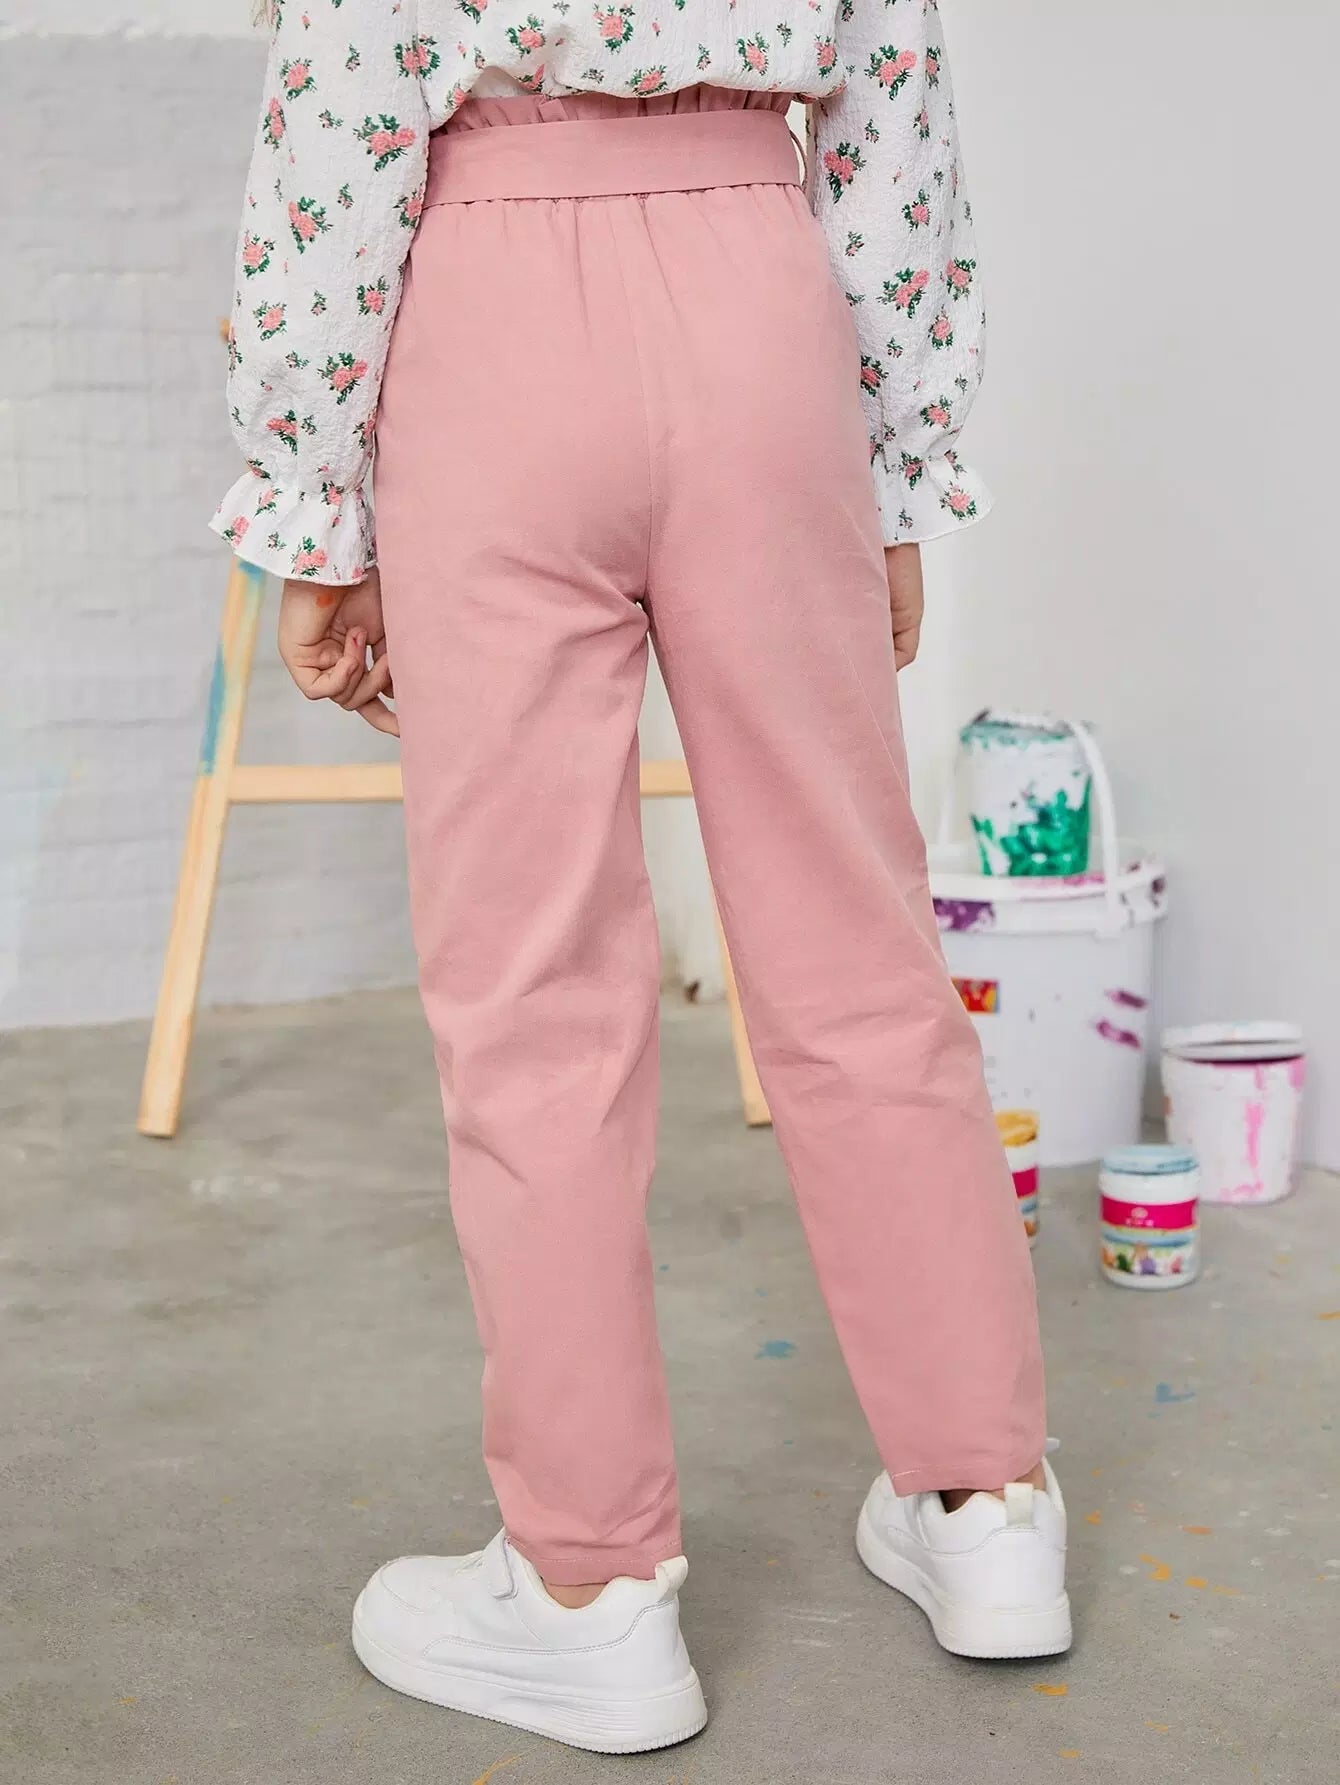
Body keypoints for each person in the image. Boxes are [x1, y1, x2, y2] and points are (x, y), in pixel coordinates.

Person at [214, 0, 1070, 1754]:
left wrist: (309, 509)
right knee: (858, 944)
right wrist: (898, 473)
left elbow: (340, 106)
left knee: (528, 986)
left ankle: (590, 1592)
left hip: (491, 315)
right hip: (762, 296)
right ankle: (989, 1506)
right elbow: (893, 117)